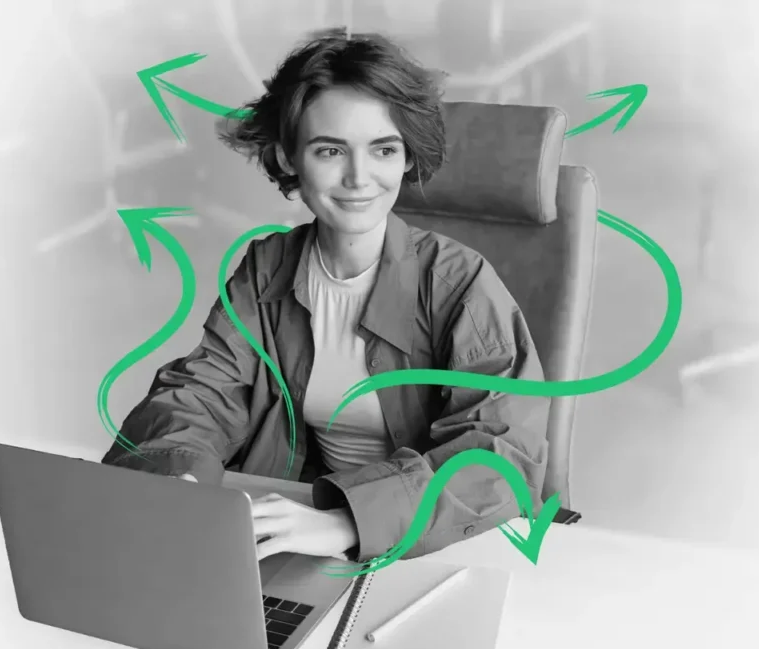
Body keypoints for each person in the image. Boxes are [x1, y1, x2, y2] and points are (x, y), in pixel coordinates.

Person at [102, 27, 550, 564]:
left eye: (383, 149)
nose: (360, 177)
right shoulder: (266, 267)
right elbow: (203, 391)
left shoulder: (462, 285)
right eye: (330, 150)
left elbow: (500, 454)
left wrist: (346, 523)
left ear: (408, 157)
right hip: (301, 522)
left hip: (431, 539)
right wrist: (179, 479)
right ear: (290, 158)